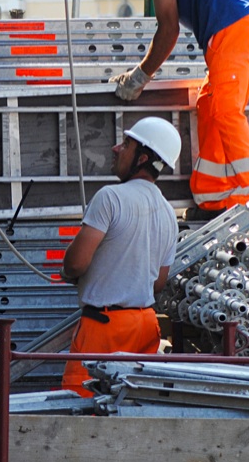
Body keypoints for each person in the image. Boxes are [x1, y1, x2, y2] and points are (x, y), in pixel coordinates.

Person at [101, 0, 249, 213]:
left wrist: (139, 77)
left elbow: (168, 29)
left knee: (226, 111)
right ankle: (213, 194)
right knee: (207, 102)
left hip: (234, 32)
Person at [59, 117, 181, 397]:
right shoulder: (168, 213)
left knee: (82, 404)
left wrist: (71, 271)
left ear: (143, 158)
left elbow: (75, 264)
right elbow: (158, 282)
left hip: (104, 327)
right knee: (131, 405)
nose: (116, 149)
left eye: (126, 144)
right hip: (145, 326)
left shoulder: (110, 197)